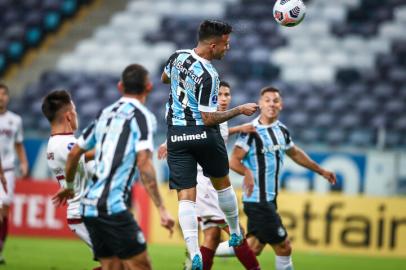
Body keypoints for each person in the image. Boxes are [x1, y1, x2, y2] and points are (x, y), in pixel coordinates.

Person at [53, 64, 175, 270]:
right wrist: (162, 209)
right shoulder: (143, 117)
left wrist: (69, 185)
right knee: (140, 266)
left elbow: (75, 152)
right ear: (149, 87)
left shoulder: (105, 114)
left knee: (113, 267)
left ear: (120, 86)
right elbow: (144, 163)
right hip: (112, 207)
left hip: (89, 207)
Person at [161, 20, 258, 269]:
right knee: (222, 184)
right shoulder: (210, 76)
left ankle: (194, 253)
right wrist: (239, 109)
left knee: (185, 197)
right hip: (203, 135)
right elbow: (208, 118)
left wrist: (182, 86)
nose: (228, 48)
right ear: (213, 44)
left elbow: (165, 78)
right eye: (226, 44)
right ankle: (235, 231)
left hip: (177, 136)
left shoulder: (177, 56)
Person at [215, 86, 336, 270]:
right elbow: (233, 161)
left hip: (270, 199)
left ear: (281, 105)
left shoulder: (282, 130)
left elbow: (295, 154)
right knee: (284, 246)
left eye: (275, 100)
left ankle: (203, 252)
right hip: (257, 200)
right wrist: (248, 172)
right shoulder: (251, 131)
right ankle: (202, 252)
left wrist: (321, 171)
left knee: (253, 248)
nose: (272, 104)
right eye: (267, 100)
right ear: (260, 104)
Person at [42, 90, 109, 270]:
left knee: (116, 263)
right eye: (75, 110)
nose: (77, 114)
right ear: (69, 116)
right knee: (119, 262)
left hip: (86, 213)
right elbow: (86, 155)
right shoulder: (65, 144)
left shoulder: (59, 142)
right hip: (83, 215)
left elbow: (86, 161)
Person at [0, 83, 29, 264]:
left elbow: (18, 144)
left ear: (8, 97)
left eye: (3, 94)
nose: (1, 97)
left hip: (9, 170)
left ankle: (1, 249)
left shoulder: (15, 120)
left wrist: (24, 163)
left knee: (4, 212)